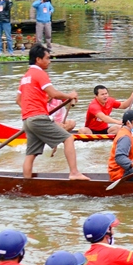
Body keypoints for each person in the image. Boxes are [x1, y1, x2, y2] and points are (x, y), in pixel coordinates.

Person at [17, 44, 88, 180]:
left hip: (27, 119)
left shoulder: (25, 77)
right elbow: (53, 94)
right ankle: (74, 173)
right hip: (37, 118)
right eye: (47, 58)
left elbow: (18, 100)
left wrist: (30, 111)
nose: (49, 61)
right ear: (38, 59)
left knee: (31, 154)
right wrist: (70, 95)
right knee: (68, 138)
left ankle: (27, 183)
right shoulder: (39, 73)